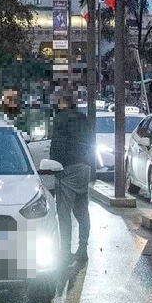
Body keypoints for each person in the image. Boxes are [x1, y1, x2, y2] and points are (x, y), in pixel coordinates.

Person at [48, 87, 94, 266]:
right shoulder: (83, 118)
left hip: (66, 170)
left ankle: (65, 251)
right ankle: (83, 249)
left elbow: (56, 146)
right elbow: (90, 142)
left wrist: (54, 167)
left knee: (64, 212)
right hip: (84, 168)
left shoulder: (60, 119)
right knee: (82, 210)